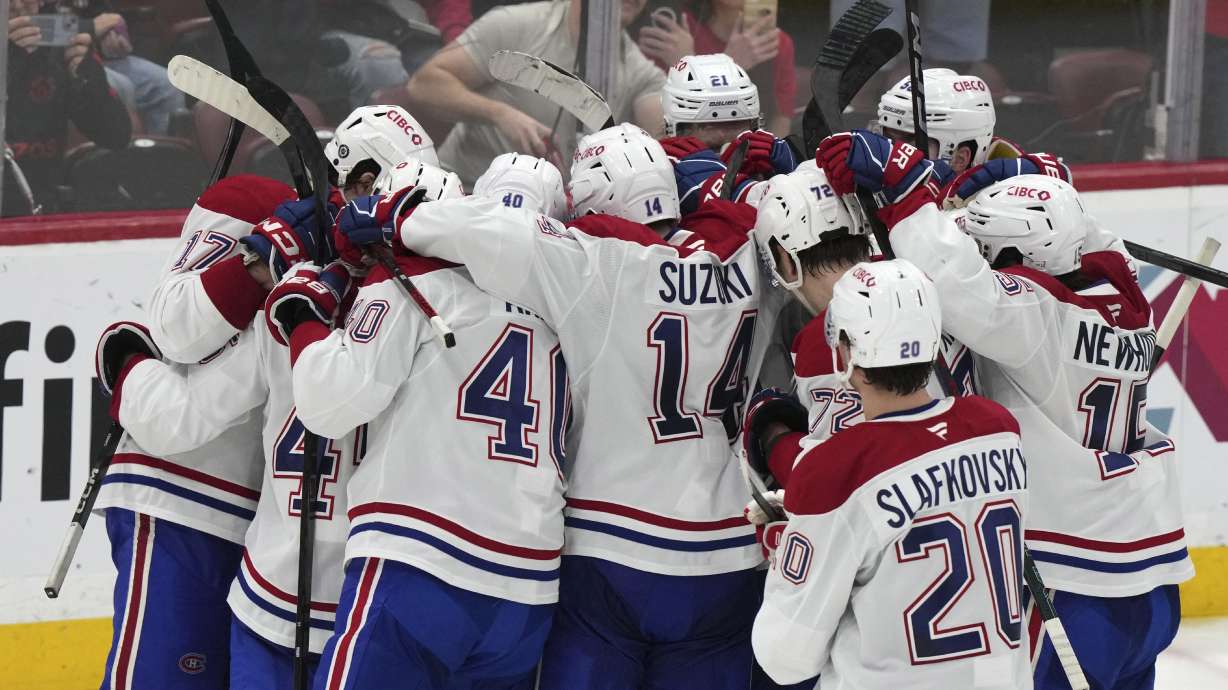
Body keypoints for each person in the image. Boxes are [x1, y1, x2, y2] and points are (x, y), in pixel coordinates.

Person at [342, 123, 776, 689]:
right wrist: (753, 181)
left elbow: (500, 230)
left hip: (610, 547)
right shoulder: (746, 252)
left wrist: (400, 217)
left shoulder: (596, 260)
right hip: (728, 549)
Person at [819, 130, 1193, 689]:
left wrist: (907, 184)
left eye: (988, 251)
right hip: (1154, 586)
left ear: (1015, 258)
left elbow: (956, 282)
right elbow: (1089, 234)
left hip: (1072, 586)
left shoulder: (1036, 316)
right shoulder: (1128, 297)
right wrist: (1042, 183)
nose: (984, 262)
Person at [272, 157, 564, 690]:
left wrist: (302, 320)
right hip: (528, 589)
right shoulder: (580, 303)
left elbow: (327, 403)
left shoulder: (414, 276)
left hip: (420, 564)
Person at [749, 258, 1032, 688]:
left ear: (843, 352)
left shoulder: (836, 469)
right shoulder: (997, 429)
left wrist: (788, 554)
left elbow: (785, 657)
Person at [90, 175, 294, 690]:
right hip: (183, 499)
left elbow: (173, 404)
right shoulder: (254, 204)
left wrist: (129, 370)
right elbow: (178, 328)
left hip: (266, 534)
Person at [407, 0, 667, 185]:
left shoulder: (640, 70)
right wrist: (500, 115)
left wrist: (683, 64)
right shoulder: (516, 24)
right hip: (465, 188)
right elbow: (424, 84)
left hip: (546, 219)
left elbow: (664, 138)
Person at [4, 0, 130, 215]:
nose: (16, 5)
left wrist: (88, 77)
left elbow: (116, 135)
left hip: (41, 203)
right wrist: (8, 61)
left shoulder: (57, 39)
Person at [658, 53, 798, 217]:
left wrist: (792, 172)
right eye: (713, 148)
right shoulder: (659, 175)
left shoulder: (773, 160)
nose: (730, 156)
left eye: (739, 145)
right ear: (675, 133)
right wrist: (795, 189)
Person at [637, 0, 795, 134]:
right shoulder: (676, 32)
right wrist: (728, 65)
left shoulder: (774, 43)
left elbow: (780, 120)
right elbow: (656, 122)